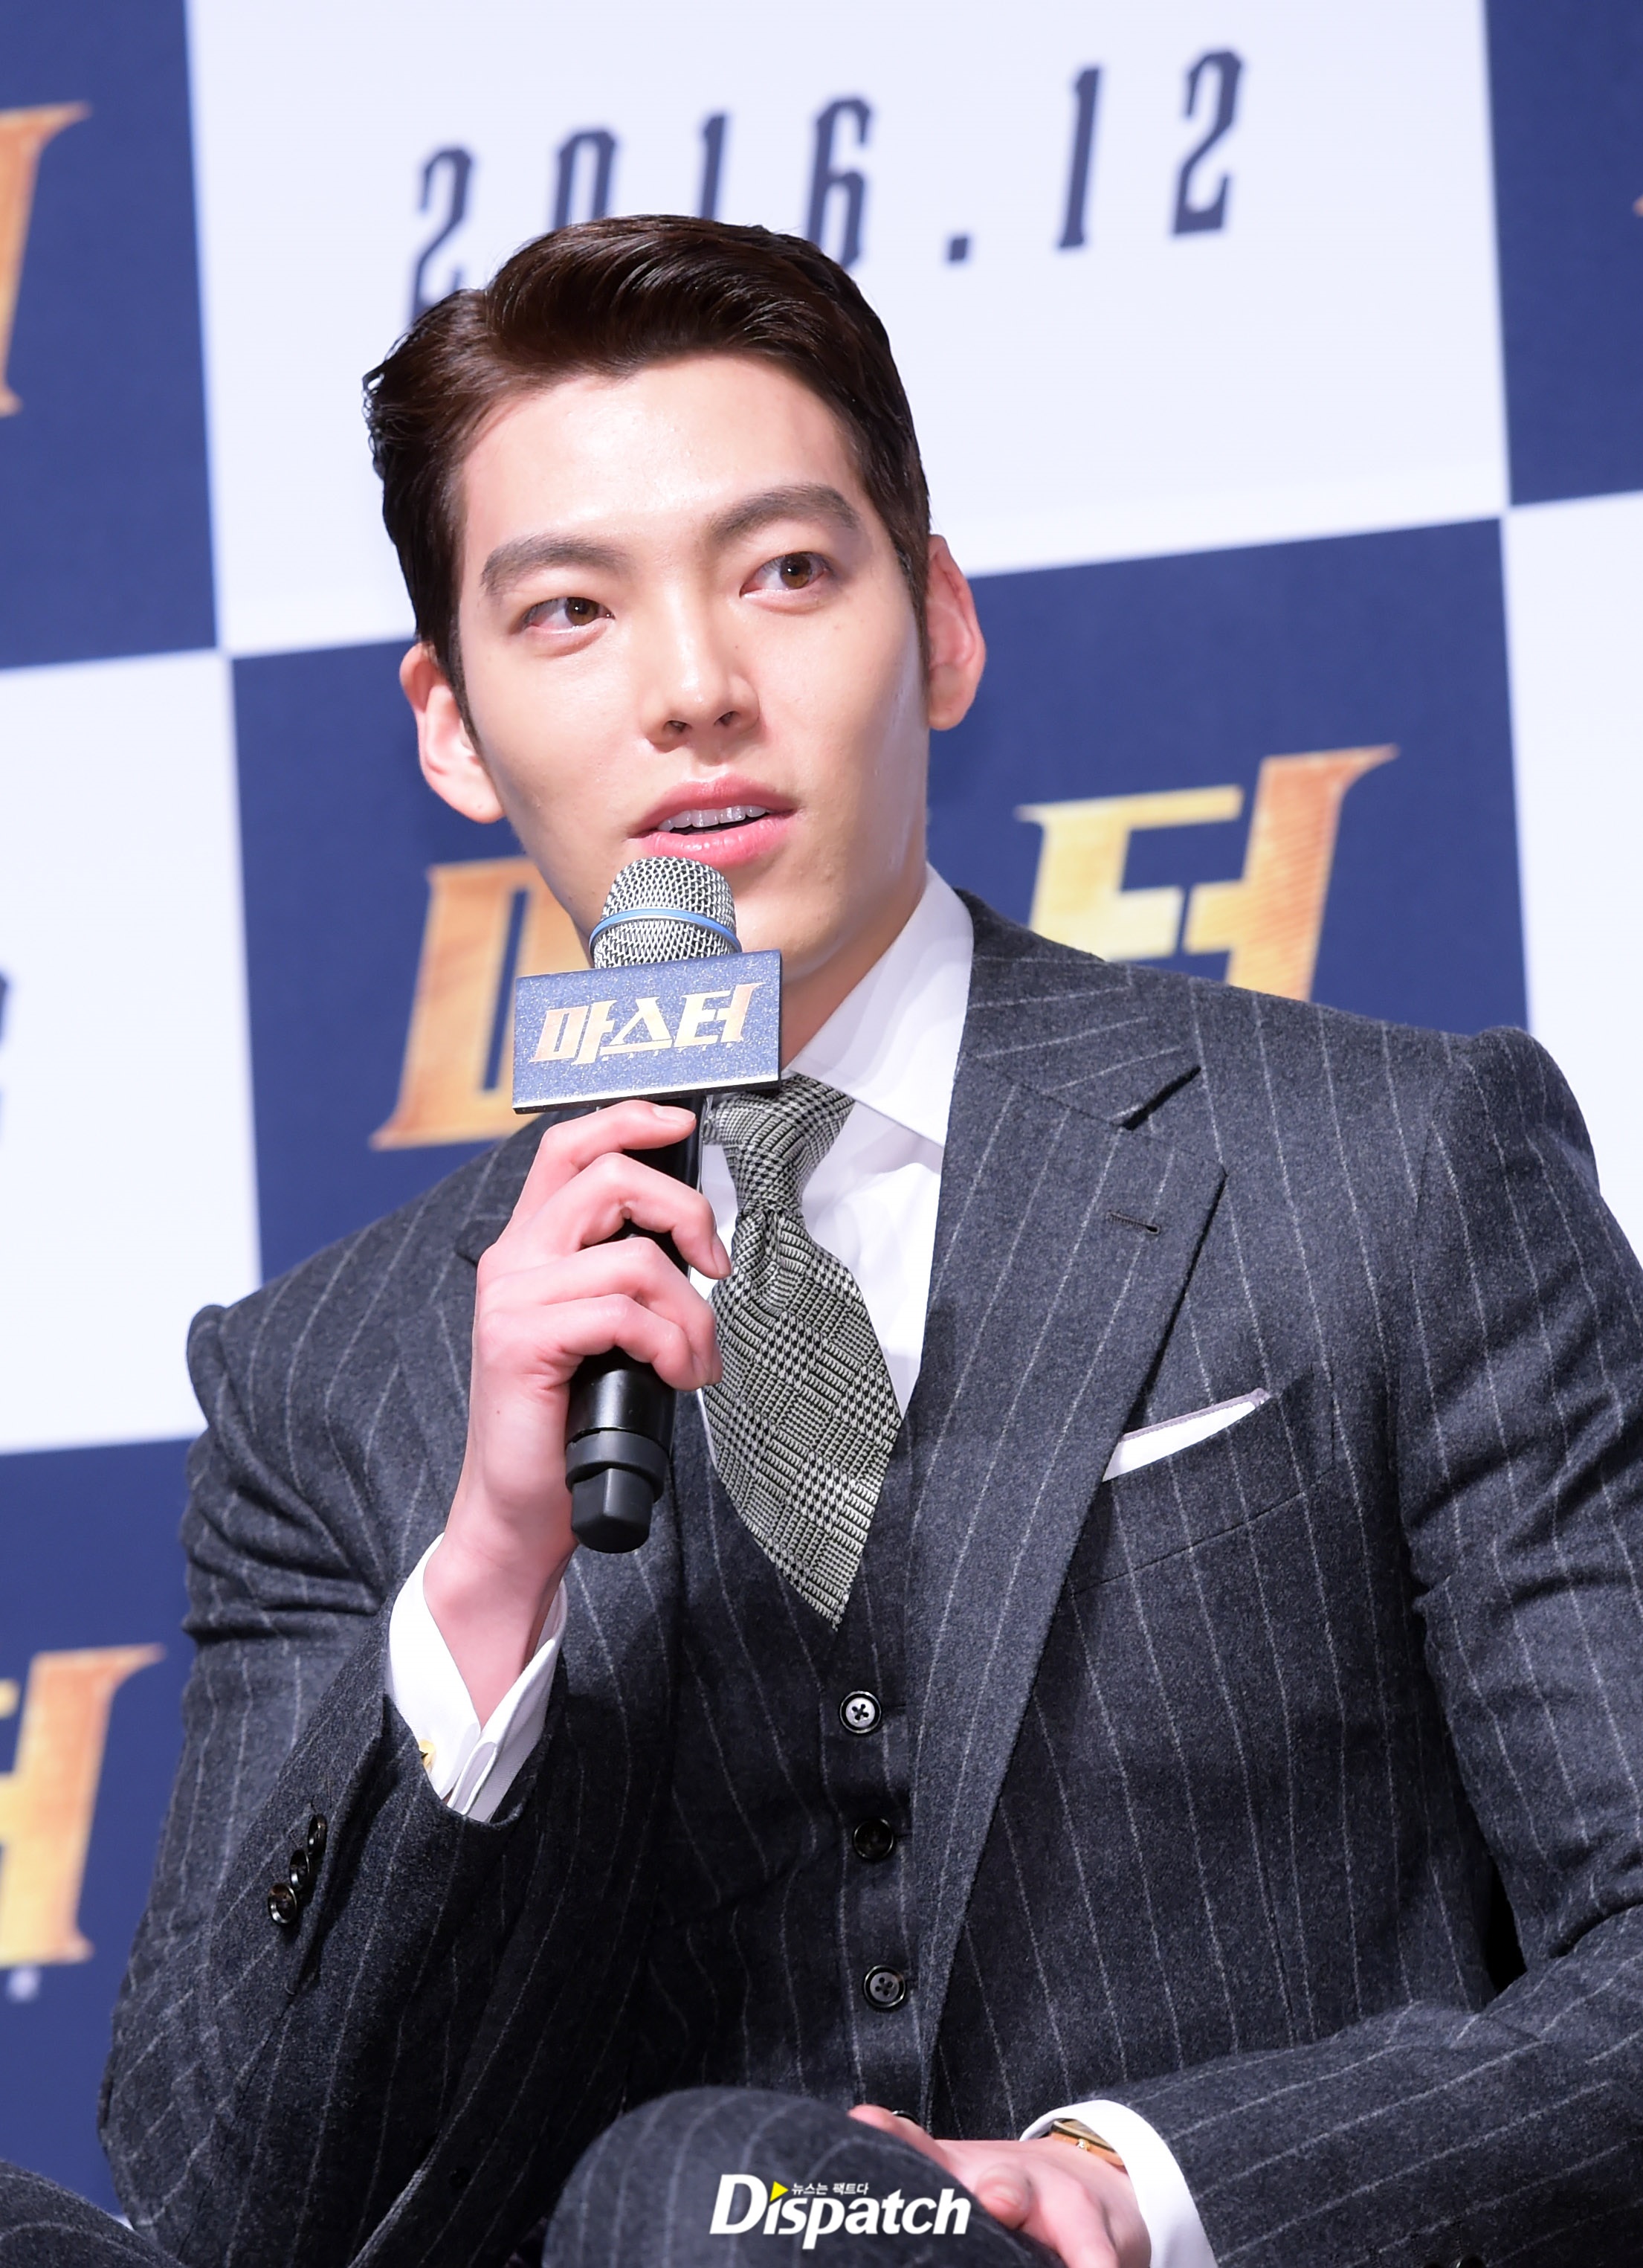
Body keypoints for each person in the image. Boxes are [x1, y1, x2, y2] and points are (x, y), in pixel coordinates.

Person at [77, 216, 1643, 2268]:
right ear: (449, 725)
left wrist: (1142, 2192)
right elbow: (226, 2201)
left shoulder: (1390, 1168)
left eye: (785, 573)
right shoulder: (328, 1382)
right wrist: (485, 1576)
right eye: (569, 611)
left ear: (942, 624)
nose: (695, 690)